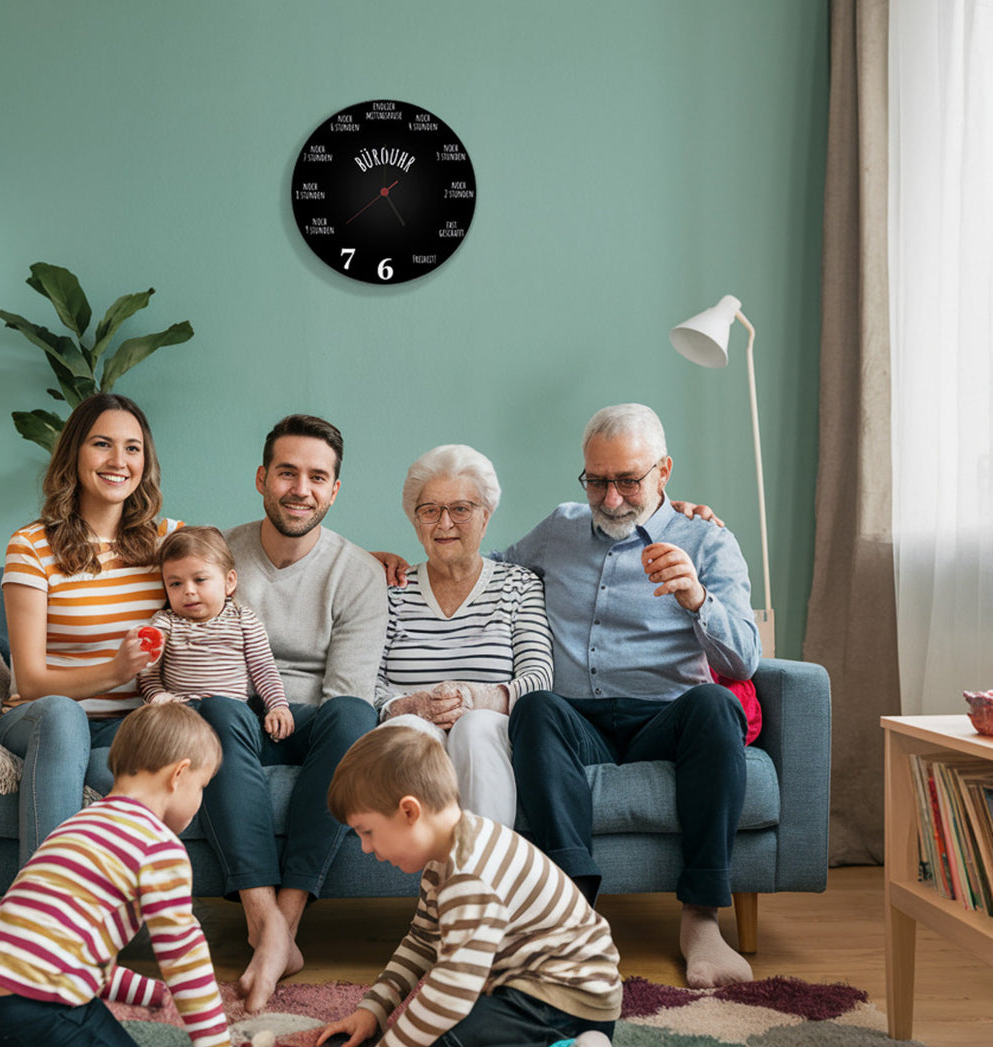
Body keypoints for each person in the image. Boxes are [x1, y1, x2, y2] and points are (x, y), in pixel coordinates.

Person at [0, 701, 285, 1047]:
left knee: (82, 1024)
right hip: (31, 1012)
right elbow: (185, 959)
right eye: (202, 786)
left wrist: (146, 993)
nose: (199, 800)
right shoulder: (158, 846)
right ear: (179, 774)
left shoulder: (78, 825)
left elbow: (63, 949)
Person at [504, 403, 761, 988]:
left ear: (664, 471)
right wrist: (394, 568)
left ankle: (700, 921)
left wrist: (698, 599)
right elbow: (485, 573)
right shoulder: (558, 528)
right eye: (597, 480)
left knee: (716, 705)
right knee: (535, 706)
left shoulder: (709, 541)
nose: (611, 498)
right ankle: (574, 916)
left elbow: (744, 658)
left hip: (667, 718)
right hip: (578, 721)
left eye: (628, 480)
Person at [315, 726, 631, 1047]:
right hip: (551, 989)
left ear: (409, 811)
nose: (366, 848)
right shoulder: (447, 855)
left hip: (566, 1001)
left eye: (367, 832)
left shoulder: (469, 875)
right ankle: (568, 1046)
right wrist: (374, 1009)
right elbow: (422, 941)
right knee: (427, 1034)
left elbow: (451, 991)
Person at [196, 414, 388, 1013]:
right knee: (221, 709)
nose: (299, 489)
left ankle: (286, 921)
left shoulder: (358, 572)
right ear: (262, 478)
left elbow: (347, 688)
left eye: (316, 477)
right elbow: (196, 650)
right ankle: (265, 927)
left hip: (312, 722)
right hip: (237, 715)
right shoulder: (220, 556)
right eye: (287, 472)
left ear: (334, 490)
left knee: (354, 717)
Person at [0, 392, 182, 863]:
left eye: (133, 448)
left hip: (128, 726)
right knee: (63, 715)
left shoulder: (167, 541)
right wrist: (116, 670)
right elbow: (33, 681)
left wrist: (361, 558)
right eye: (102, 444)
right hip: (41, 718)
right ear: (74, 454)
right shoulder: (32, 546)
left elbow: (246, 562)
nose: (119, 461)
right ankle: (43, 912)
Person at [374, 443, 553, 826]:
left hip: (490, 731)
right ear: (414, 520)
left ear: (486, 517)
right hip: (412, 728)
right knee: (411, 731)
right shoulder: (393, 590)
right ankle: (439, 873)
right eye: (429, 511)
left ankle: (482, 877)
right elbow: (364, 681)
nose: (444, 524)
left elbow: (539, 679)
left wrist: (478, 698)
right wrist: (410, 705)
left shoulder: (518, 584)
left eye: (460, 509)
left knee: (473, 727)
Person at [137, 525, 294, 742]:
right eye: (175, 584)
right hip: (181, 717)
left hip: (231, 714)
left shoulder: (243, 620)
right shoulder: (165, 624)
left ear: (229, 582)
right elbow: (147, 674)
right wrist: (159, 697)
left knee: (225, 714)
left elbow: (264, 669)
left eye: (200, 580)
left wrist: (277, 706)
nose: (188, 591)